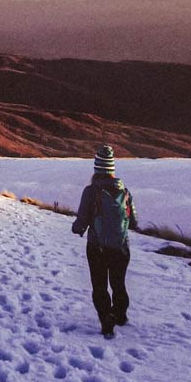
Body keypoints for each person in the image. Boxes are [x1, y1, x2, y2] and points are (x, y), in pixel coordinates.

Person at [72, 144, 138, 338]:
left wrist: (77, 228)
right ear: (112, 169)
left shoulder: (91, 191)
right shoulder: (124, 191)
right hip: (121, 247)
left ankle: (106, 322)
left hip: (97, 247)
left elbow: (82, 221)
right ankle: (120, 315)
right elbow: (133, 221)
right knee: (119, 283)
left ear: (97, 168)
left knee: (100, 286)